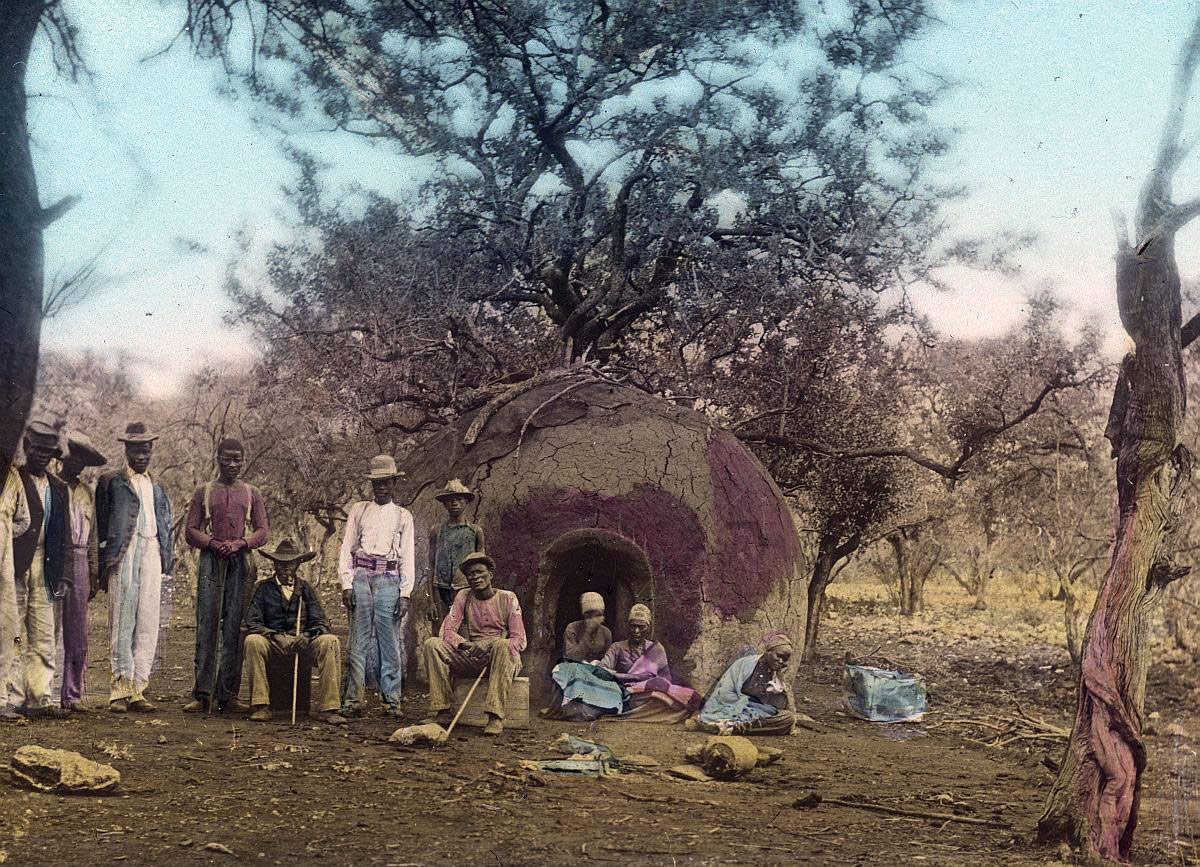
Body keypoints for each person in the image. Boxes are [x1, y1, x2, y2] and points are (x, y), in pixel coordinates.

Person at [182, 438, 269, 713]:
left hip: (240, 562)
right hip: (211, 560)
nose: (232, 464)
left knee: (235, 626)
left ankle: (228, 694)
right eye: (227, 458)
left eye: (237, 459)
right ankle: (202, 693)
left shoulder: (252, 492)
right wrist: (211, 542)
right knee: (207, 623)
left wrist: (241, 543)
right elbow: (190, 530)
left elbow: (263, 530)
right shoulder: (204, 492)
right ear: (217, 457)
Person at [95, 421, 173, 714]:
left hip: (152, 550)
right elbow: (102, 525)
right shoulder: (111, 482)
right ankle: (119, 689)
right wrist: (104, 562)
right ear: (126, 450)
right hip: (123, 552)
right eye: (136, 450)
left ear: (152, 451)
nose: (142, 456)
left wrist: (167, 556)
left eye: (146, 450)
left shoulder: (158, 486)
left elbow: (164, 524)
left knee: (148, 619)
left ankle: (139, 687)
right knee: (122, 618)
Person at [337, 455, 414, 718]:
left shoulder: (403, 516)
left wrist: (405, 593)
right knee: (358, 640)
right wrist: (346, 584)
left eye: (386, 482)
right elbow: (347, 547)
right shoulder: (359, 510)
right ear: (372, 484)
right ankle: (353, 699)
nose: (381, 487)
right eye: (377, 482)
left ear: (394, 483)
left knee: (389, 639)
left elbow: (407, 557)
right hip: (361, 576)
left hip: (389, 579)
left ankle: (392, 699)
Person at [242, 539, 346, 725]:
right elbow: (252, 622)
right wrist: (274, 636)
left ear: (298, 564)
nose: (285, 568)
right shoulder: (262, 588)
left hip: (302, 644)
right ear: (274, 564)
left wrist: (307, 636)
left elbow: (321, 622)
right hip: (273, 643)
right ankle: (261, 706)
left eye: (290, 563)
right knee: (252, 641)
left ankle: (329, 708)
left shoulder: (306, 588)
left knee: (330, 641)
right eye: (280, 563)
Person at [10, 420, 73, 719]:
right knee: (12, 632)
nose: (42, 456)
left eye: (48, 452)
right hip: (14, 563)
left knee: (44, 632)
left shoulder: (59, 488)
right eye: (37, 449)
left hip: (46, 564)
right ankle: (11, 698)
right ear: (26, 447)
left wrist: (64, 574)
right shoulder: (13, 480)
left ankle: (39, 699)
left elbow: (65, 536)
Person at [423, 552, 525, 736]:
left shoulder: (508, 598)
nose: (475, 577)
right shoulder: (464, 596)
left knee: (504, 646)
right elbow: (446, 631)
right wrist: (464, 645)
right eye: (471, 574)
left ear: (491, 574)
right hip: (473, 655)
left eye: (480, 572)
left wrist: (490, 643)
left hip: (502, 658)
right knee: (432, 644)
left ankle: (495, 716)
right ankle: (443, 710)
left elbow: (519, 641)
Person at [546, 602, 698, 723]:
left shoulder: (656, 649)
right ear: (628, 626)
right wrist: (627, 678)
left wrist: (641, 681)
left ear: (648, 627)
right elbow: (603, 669)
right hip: (624, 693)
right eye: (633, 626)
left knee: (668, 695)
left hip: (648, 693)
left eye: (641, 626)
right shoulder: (617, 647)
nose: (636, 631)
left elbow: (666, 680)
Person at [52, 431, 106, 713]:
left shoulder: (86, 492)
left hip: (82, 559)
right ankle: (45, 694)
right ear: (65, 456)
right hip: (57, 557)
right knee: (50, 626)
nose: (78, 466)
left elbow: (94, 534)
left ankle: (72, 695)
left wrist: (94, 570)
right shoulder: (51, 485)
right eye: (75, 458)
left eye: (83, 462)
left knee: (78, 632)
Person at [693, 631, 797, 735]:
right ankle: (728, 725)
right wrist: (745, 705)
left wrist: (781, 680)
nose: (781, 661)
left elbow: (777, 706)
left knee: (788, 718)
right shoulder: (744, 664)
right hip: (732, 707)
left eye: (785, 659)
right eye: (779, 656)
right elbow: (724, 693)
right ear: (768, 651)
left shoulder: (777, 674)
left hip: (759, 712)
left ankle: (730, 727)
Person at [426, 479, 486, 624]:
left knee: (465, 633)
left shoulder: (475, 531)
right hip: (441, 590)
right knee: (441, 633)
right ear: (444, 503)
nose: (454, 503)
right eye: (450, 500)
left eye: (459, 499)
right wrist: (430, 601)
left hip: (466, 589)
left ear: (466, 501)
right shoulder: (436, 531)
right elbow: (430, 566)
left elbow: (482, 567)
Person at [0, 464, 31, 721]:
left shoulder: (13, 477)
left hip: (5, 563)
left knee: (11, 630)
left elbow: (25, 519)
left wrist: (5, 533)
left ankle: (2, 698)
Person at [562, 592, 611, 663]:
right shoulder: (572, 628)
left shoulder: (606, 632)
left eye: (602, 615)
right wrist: (588, 633)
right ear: (587, 616)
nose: (602, 618)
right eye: (598, 615)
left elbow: (607, 658)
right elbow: (570, 657)